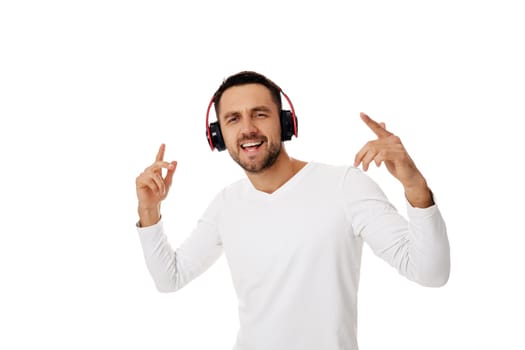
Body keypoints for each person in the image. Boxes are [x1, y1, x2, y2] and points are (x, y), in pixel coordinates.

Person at [135, 71, 450, 350]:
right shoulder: (226, 203)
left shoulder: (345, 186)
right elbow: (170, 278)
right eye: (233, 118)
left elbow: (431, 272)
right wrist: (149, 212)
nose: (247, 129)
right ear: (217, 136)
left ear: (286, 123)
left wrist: (415, 187)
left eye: (260, 114)